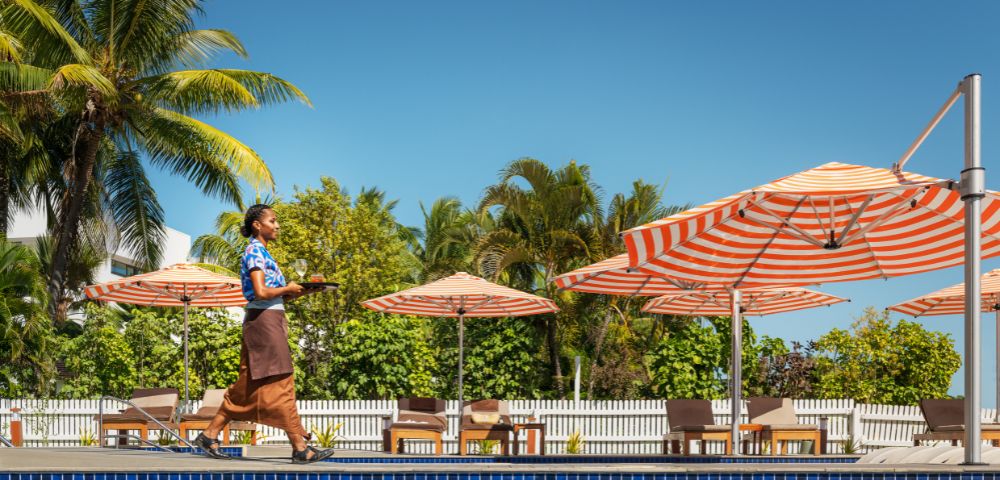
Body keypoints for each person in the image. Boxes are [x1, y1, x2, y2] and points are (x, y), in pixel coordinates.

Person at [194, 204, 334, 464]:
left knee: (249, 384)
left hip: (270, 319)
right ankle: (300, 447)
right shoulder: (254, 251)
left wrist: (300, 291)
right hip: (264, 322)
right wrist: (288, 288)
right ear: (258, 225)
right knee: (282, 380)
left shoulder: (264, 254)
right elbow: (260, 292)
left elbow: (274, 296)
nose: (277, 225)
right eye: (273, 220)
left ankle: (209, 434)